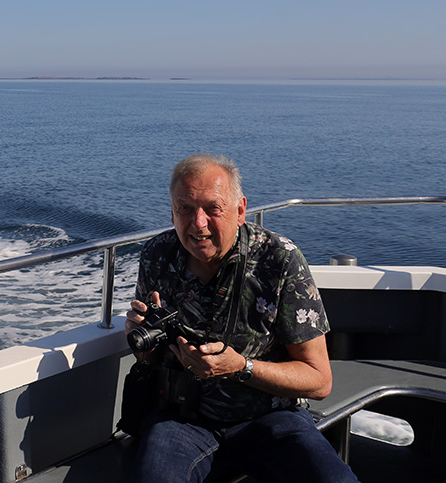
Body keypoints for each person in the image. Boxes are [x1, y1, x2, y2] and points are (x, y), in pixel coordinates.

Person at [125, 154, 357, 482]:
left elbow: (319, 381)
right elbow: (149, 356)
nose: (198, 223)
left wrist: (240, 368)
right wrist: (141, 338)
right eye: (185, 209)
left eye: (212, 209)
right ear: (172, 212)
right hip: (182, 420)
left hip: (269, 418)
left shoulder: (279, 260)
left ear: (240, 210)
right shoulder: (158, 255)